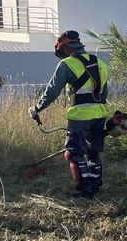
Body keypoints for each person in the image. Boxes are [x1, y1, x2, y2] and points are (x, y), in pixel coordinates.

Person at [29, 31, 109, 198]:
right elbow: (104, 93)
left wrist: (36, 108)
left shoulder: (67, 64)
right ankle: (95, 183)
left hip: (80, 116)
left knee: (74, 153)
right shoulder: (100, 63)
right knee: (93, 152)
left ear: (65, 47)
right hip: (100, 113)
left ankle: (85, 189)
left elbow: (52, 91)